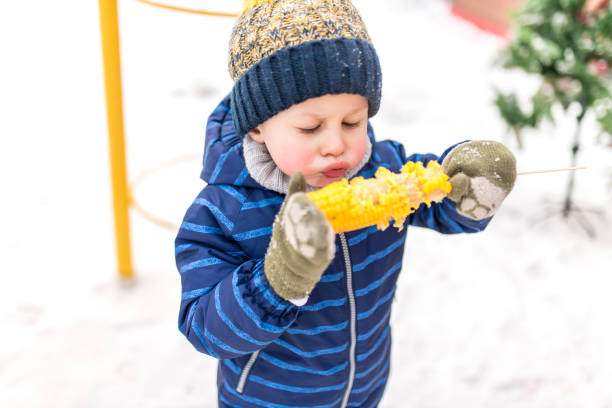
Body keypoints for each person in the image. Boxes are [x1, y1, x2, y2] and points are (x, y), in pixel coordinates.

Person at [174, 0, 517, 407]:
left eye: (353, 122)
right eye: (310, 127)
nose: (336, 145)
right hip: (270, 399)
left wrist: (468, 186)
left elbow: (439, 202)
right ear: (258, 127)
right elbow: (206, 328)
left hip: (364, 387)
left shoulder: (382, 168)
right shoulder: (223, 211)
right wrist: (277, 280)